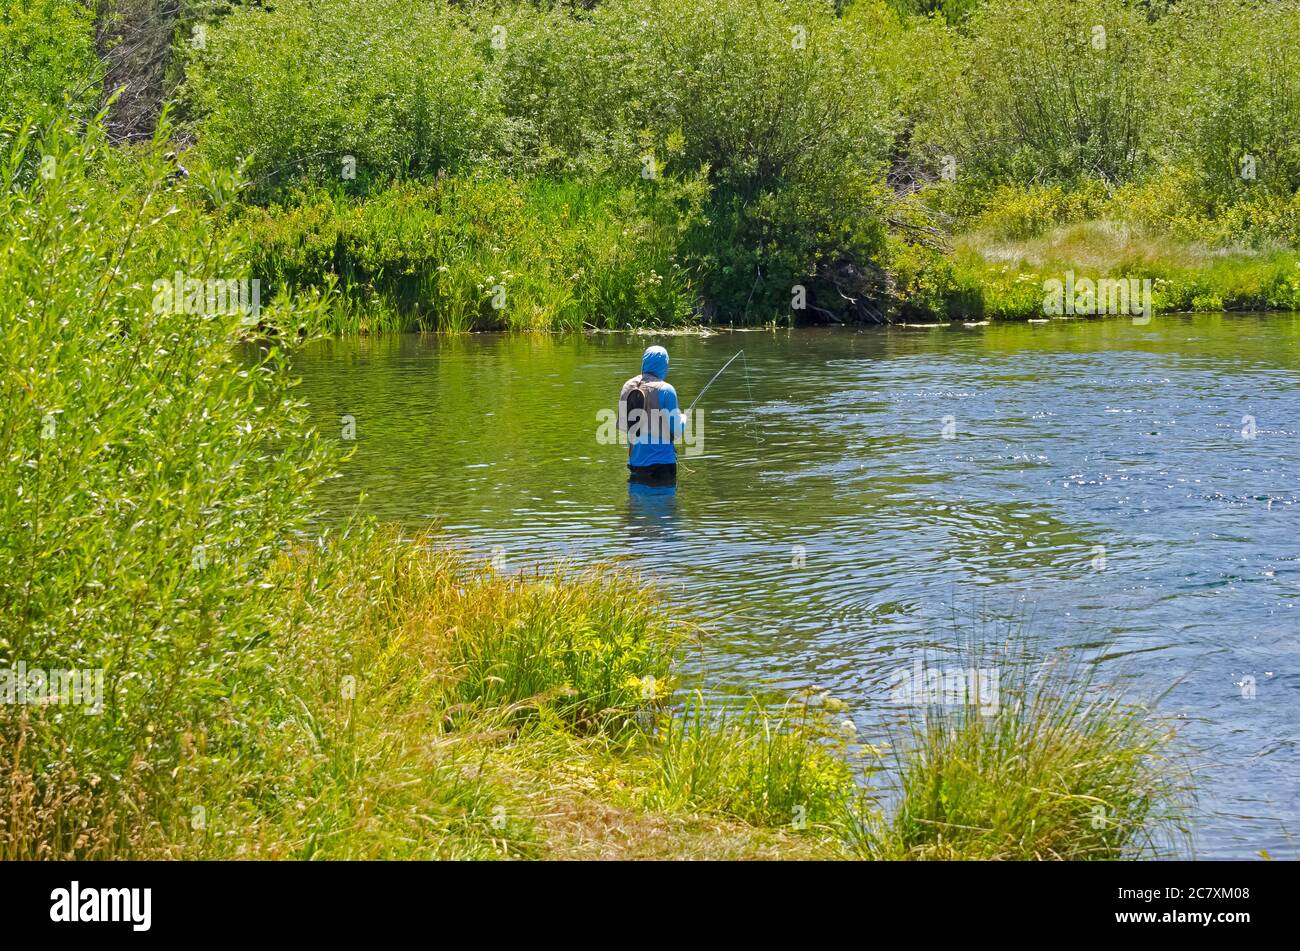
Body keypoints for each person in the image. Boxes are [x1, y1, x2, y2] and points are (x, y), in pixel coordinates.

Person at [618, 345, 683, 486]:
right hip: (663, 466)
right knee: (665, 506)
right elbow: (677, 431)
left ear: (644, 362)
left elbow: (624, 427)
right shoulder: (667, 390)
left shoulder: (627, 387)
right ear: (664, 365)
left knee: (637, 506)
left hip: (636, 463)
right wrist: (683, 419)